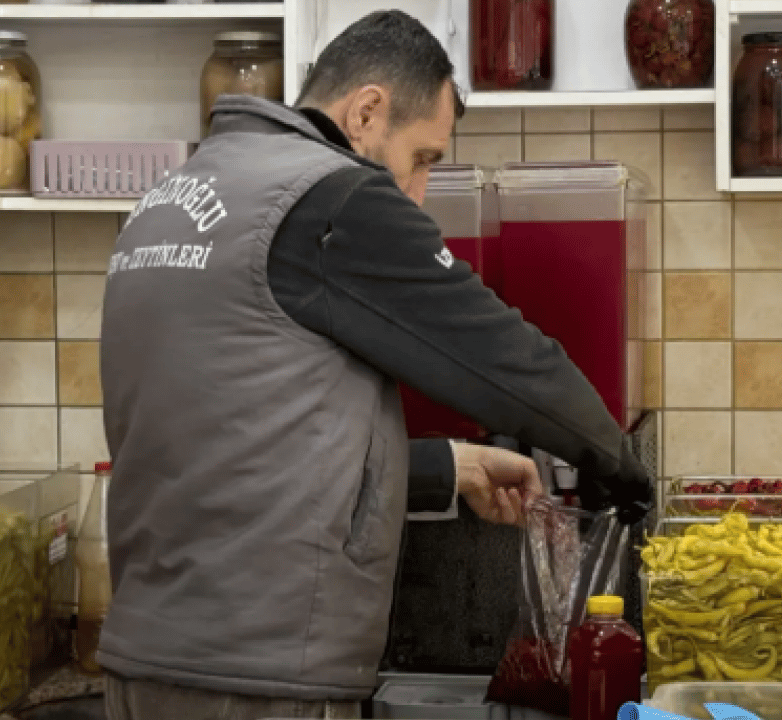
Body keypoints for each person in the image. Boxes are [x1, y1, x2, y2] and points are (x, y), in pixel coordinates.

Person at [98, 9, 651, 720]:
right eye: (422, 158)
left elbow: (230, 450)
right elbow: (500, 354)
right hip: (259, 679)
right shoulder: (332, 196)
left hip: (148, 661)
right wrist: (614, 459)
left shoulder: (173, 199)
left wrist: (449, 467)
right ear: (366, 112)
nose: (419, 194)